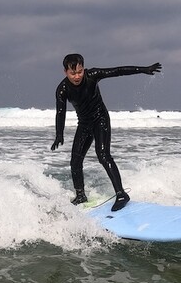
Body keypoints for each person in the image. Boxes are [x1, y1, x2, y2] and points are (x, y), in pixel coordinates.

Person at [52, 53, 161, 211]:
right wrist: (59, 135)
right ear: (65, 72)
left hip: (100, 119)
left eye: (80, 71)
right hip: (84, 124)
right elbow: (60, 113)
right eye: (73, 73)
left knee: (103, 155)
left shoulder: (93, 75)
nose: (77, 76)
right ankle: (81, 195)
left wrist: (143, 69)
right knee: (75, 161)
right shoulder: (62, 90)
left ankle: (121, 194)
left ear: (84, 68)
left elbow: (118, 71)